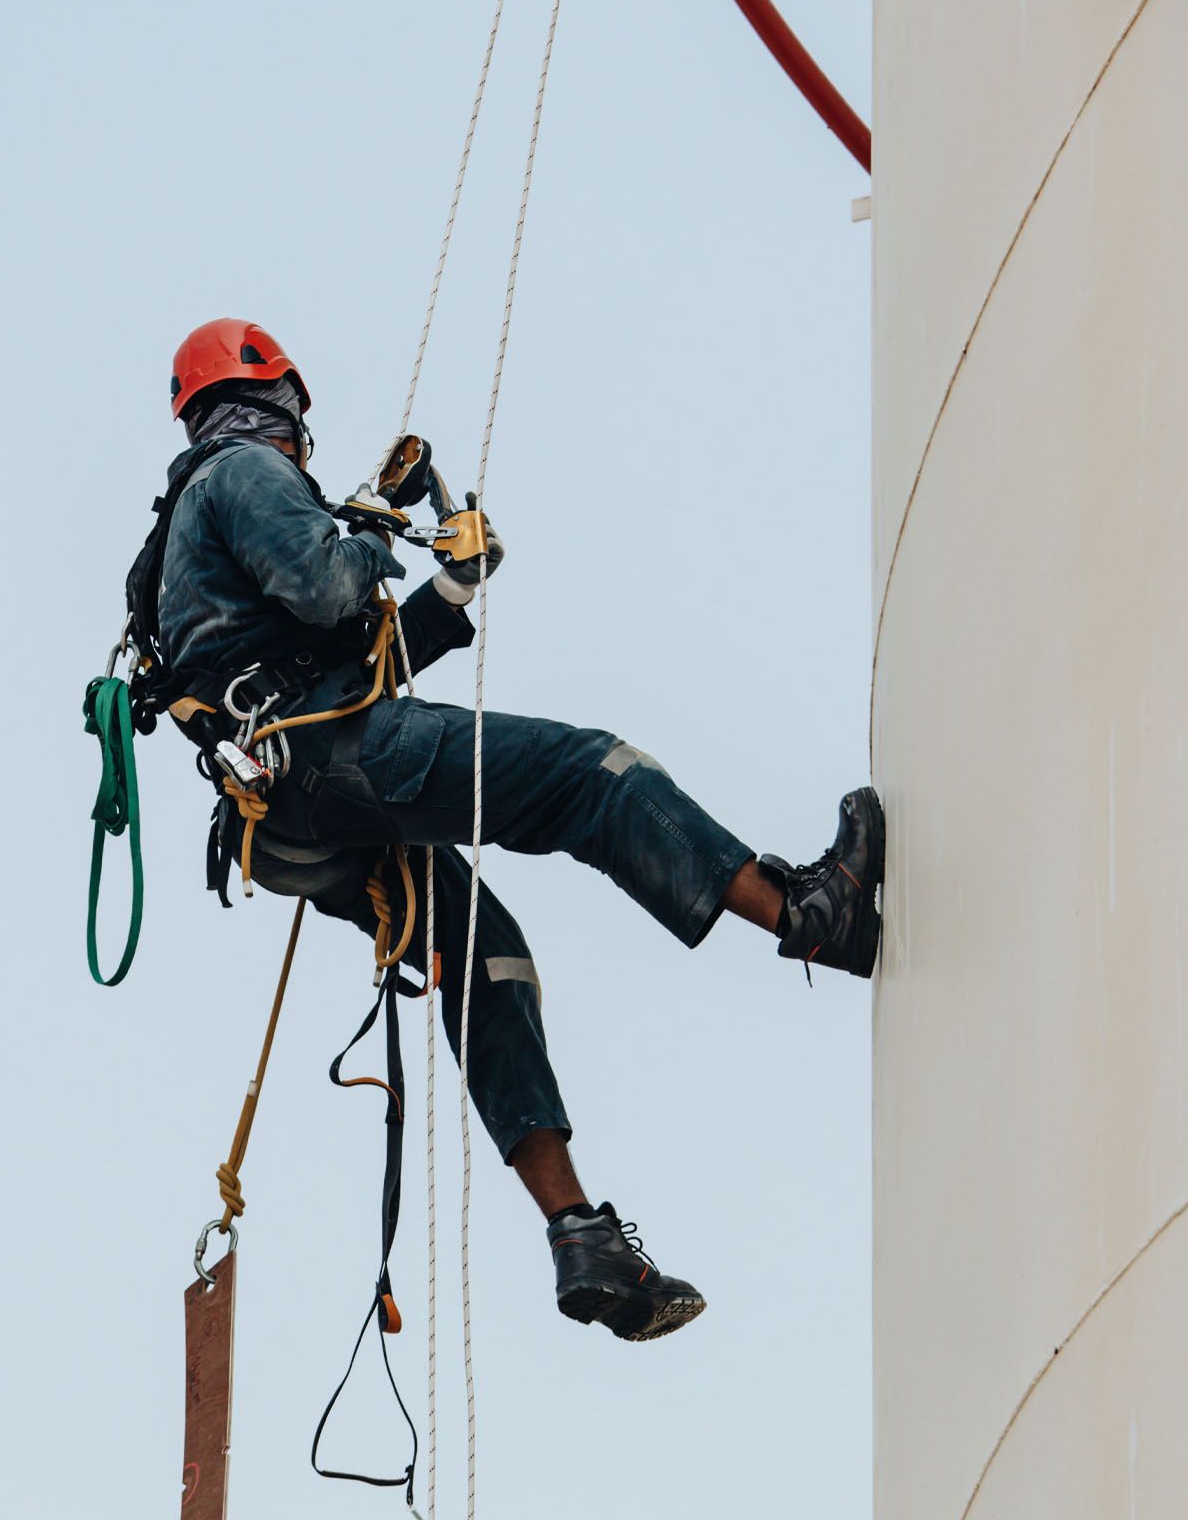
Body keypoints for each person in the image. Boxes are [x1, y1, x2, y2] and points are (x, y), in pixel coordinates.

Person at [153, 318, 882, 1343]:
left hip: (293, 812)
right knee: (594, 774)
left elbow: (351, 673)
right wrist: (367, 533)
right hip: (329, 764)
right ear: (277, 402)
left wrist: (449, 587)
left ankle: (579, 1233)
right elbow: (329, 590)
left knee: (485, 960)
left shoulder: (197, 534)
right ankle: (811, 915)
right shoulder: (240, 471)